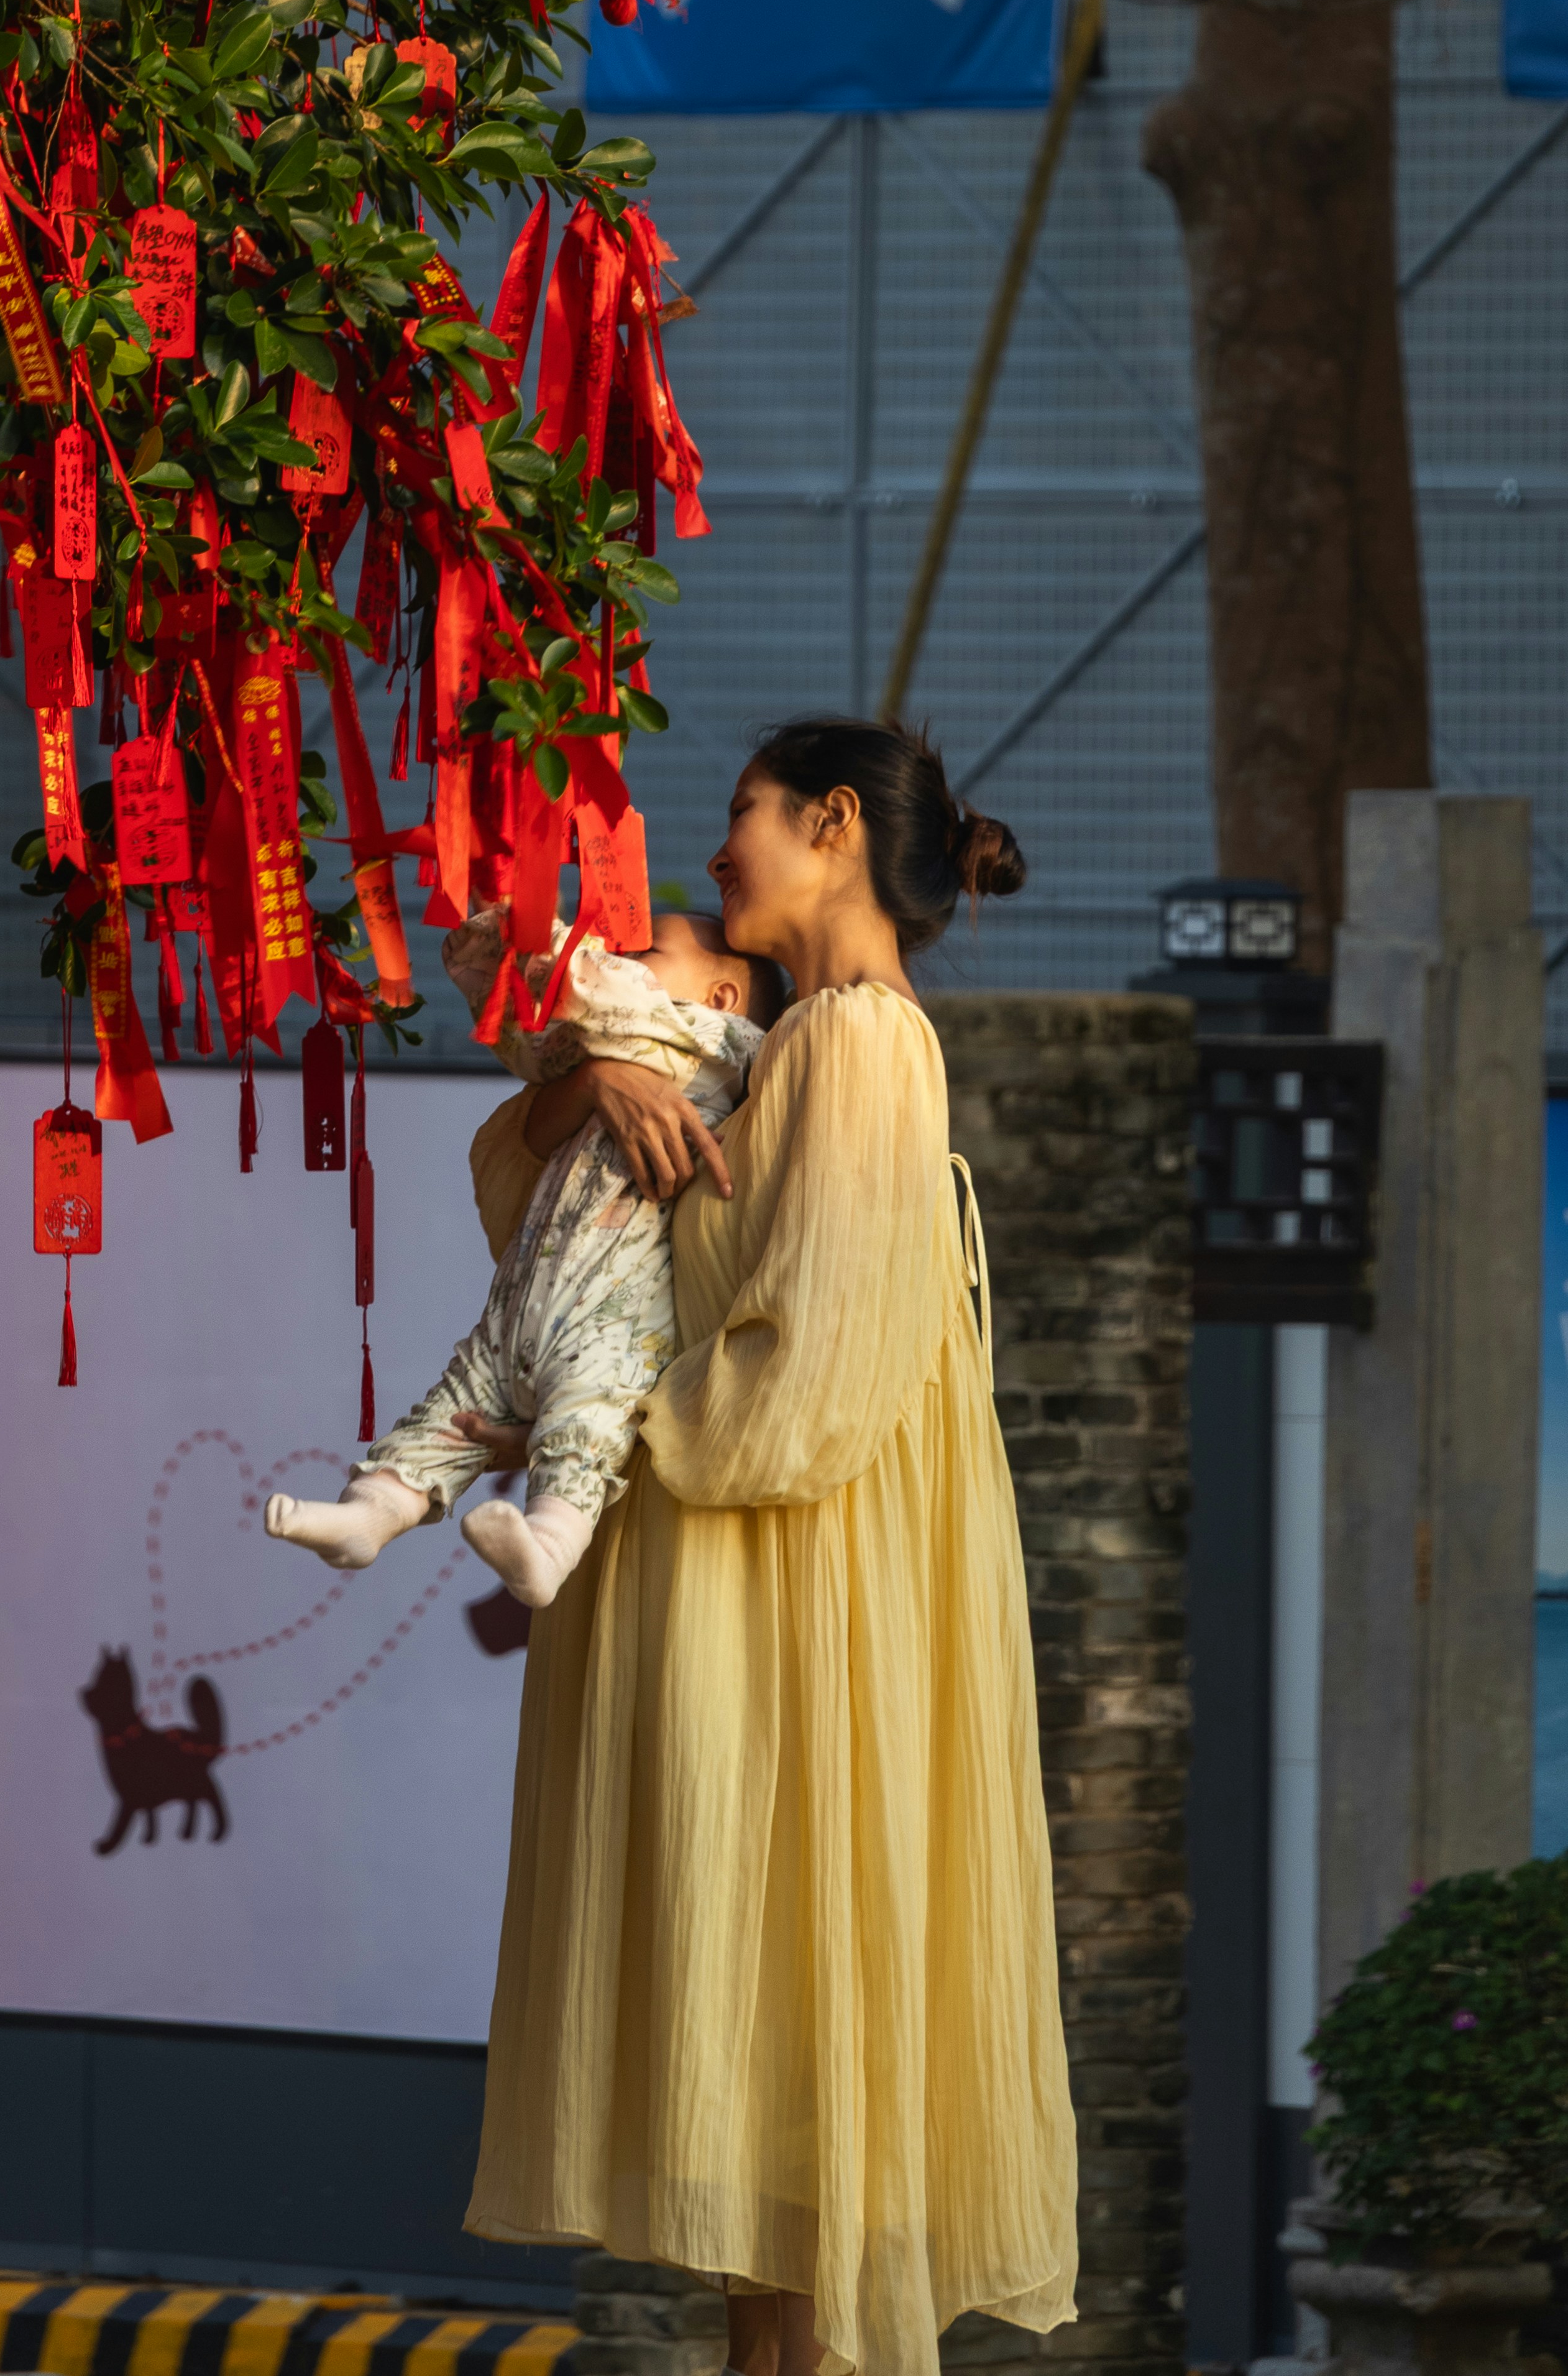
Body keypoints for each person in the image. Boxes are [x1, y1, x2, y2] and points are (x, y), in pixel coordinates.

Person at [461, 718, 1078, 2376]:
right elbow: (578, 1227)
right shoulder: (785, 1044)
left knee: (793, 2045)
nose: (716, 849)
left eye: (741, 814)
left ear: (825, 824)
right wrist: (594, 1072)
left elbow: (799, 1375)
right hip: (764, 1574)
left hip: (786, 1587)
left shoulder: (859, 1047)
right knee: (777, 2094)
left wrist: (606, 1430)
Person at [263, 907, 775, 1606]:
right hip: (518, 1309)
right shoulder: (625, 1040)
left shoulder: (705, 1041)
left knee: (582, 1433)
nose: (618, 954)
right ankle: (369, 1512)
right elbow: (543, 1049)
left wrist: (513, 925)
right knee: (446, 1412)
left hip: (609, 1327)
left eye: (645, 947)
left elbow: (583, 990)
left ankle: (547, 1547)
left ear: (719, 998)